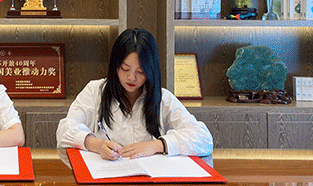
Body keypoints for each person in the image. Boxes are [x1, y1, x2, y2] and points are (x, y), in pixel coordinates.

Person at [56, 28, 213, 160]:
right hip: (106, 179)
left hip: (150, 181)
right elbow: (64, 130)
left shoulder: (162, 98)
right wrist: (96, 144)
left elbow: (204, 139)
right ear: (115, 65)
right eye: (125, 69)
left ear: (151, 71)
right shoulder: (95, 91)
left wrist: (157, 145)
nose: (131, 77)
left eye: (141, 71)